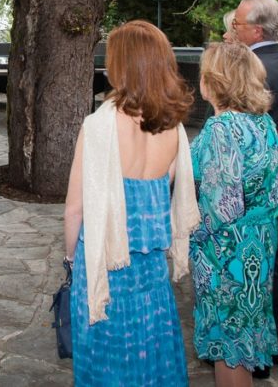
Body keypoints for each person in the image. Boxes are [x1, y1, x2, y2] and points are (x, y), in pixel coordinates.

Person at [63, 20, 200, 385]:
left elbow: (75, 207)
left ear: (123, 66)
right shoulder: (173, 127)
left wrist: (70, 259)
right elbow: (161, 191)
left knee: (106, 362)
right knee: (151, 358)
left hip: (106, 265)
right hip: (151, 270)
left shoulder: (98, 126)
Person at [191, 42, 278, 386]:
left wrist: (185, 234)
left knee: (229, 346)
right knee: (243, 341)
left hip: (227, 255)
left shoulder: (221, 130)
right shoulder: (265, 124)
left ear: (211, 81)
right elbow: (273, 191)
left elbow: (221, 208)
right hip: (259, 247)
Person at [232, 0, 278, 374]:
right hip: (275, 178)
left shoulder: (253, 68)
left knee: (252, 265)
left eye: (238, 24)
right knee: (273, 258)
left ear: (256, 29)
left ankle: (255, 351)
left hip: (249, 182)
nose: (234, 30)